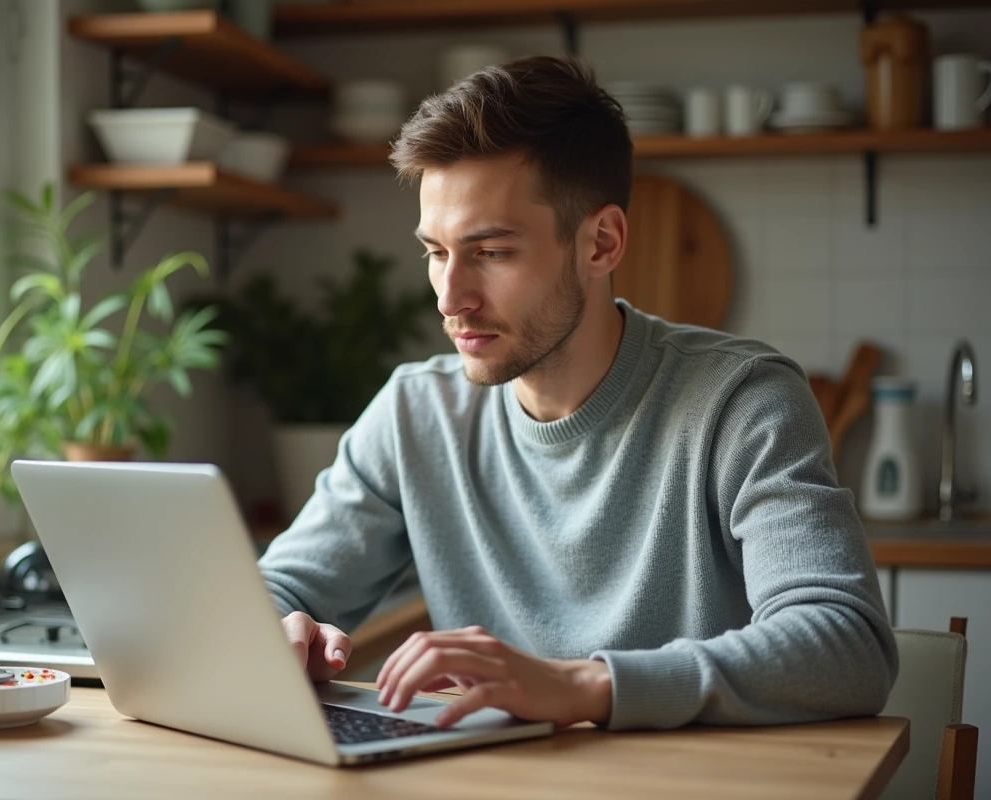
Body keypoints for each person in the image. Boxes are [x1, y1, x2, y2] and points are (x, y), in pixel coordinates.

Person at [257, 55, 897, 731]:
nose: (451, 298)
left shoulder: (742, 403)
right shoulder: (416, 413)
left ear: (602, 242)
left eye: (492, 252)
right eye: (436, 252)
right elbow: (274, 589)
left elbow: (847, 644)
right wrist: (277, 628)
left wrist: (588, 686)